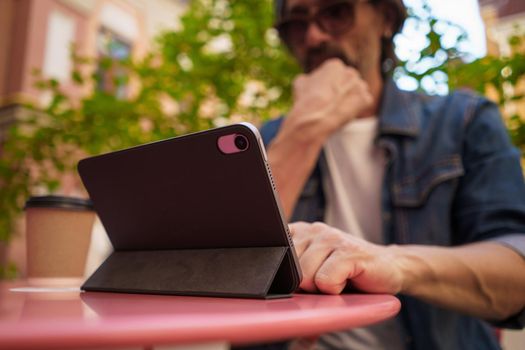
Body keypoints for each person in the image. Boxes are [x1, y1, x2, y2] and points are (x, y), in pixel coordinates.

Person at [257, 0, 525, 349]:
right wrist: (302, 133)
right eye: (295, 24)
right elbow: (224, 270)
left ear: (385, 18)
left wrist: (392, 262)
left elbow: (516, 276)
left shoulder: (463, 120)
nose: (314, 35)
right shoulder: (267, 141)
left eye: (336, 12)